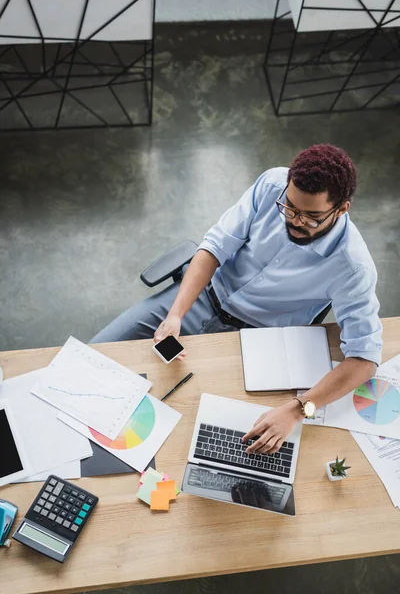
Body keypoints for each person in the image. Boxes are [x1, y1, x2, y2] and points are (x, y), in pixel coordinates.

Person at [91, 144, 382, 455]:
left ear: (341, 209)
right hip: (203, 296)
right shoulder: (272, 184)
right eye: (290, 208)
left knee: (191, 427)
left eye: (311, 217)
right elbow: (216, 246)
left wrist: (300, 408)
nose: (296, 221)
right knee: (92, 356)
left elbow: (364, 359)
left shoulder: (353, 267)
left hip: (255, 339)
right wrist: (176, 313)